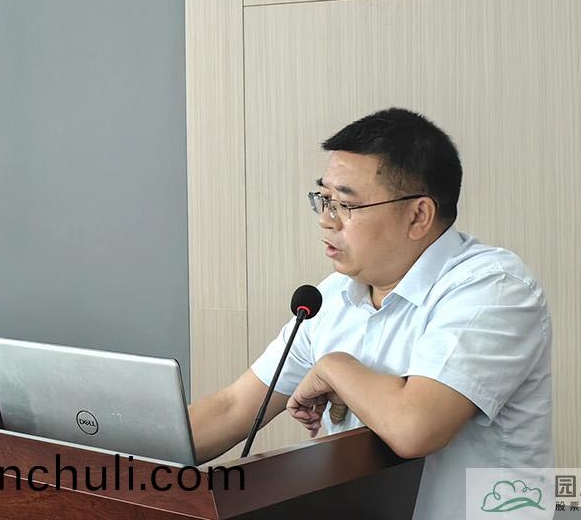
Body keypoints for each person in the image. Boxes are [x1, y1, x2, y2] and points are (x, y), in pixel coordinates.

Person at [187, 108, 552, 520]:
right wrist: (129, 448)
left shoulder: (492, 288)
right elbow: (234, 407)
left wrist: (335, 367)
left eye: (345, 204)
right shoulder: (332, 296)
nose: (326, 220)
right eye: (324, 199)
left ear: (418, 215)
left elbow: (415, 429)